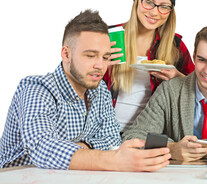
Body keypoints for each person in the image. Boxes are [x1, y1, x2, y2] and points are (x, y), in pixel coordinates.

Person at [0, 10, 171, 171]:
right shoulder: (36, 89)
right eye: (90, 55)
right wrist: (112, 159)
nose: (100, 65)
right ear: (66, 54)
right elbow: (42, 147)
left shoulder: (100, 90)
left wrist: (83, 149)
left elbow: (112, 140)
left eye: (105, 57)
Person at [122, 25, 207, 161]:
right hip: (175, 178)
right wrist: (172, 148)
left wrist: (186, 149)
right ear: (194, 57)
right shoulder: (169, 90)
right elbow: (133, 137)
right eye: (202, 60)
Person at [103, 0, 195, 129]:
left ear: (170, 11)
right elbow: (77, 80)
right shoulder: (110, 36)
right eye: (149, 2)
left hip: (149, 134)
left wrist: (178, 77)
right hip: (103, 132)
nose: (154, 12)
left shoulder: (176, 46)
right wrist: (100, 66)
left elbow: (200, 90)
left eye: (164, 6)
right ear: (137, 0)